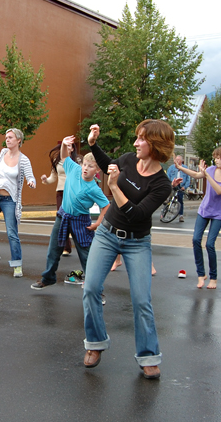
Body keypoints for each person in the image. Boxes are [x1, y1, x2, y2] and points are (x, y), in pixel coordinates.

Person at [82, 120, 174, 380]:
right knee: (90, 288)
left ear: (155, 144)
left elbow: (136, 215)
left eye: (141, 139)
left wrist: (113, 187)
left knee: (141, 300)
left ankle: (148, 356)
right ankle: (95, 343)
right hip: (107, 234)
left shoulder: (161, 184)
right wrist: (93, 144)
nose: (135, 143)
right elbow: (108, 164)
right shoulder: (127, 160)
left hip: (137, 242)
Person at [31, 136, 109, 289]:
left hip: (81, 222)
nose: (85, 168)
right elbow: (64, 156)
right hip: (63, 216)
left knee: (87, 255)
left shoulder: (94, 188)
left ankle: (95, 289)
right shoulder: (74, 170)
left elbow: (106, 206)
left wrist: (98, 223)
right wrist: (64, 145)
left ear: (98, 170)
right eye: (85, 165)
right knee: (53, 250)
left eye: (90, 166)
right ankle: (48, 278)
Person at [174, 147, 221, 289]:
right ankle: (200, 274)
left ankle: (213, 278)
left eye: (218, 157)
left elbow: (220, 190)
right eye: (214, 157)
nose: (215, 160)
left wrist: (206, 175)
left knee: (210, 244)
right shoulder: (210, 171)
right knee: (196, 240)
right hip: (204, 210)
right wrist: (181, 168)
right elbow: (197, 175)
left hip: (218, 213)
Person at [0, 129, 36, 278]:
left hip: (9, 200)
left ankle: (17, 264)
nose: (7, 140)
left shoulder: (23, 160)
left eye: (10, 137)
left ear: (19, 140)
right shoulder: (4, 152)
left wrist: (31, 181)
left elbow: (31, 176)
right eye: (6, 137)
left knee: (12, 233)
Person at [40, 141, 79, 255]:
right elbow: (53, 177)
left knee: (75, 219)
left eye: (69, 146)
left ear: (72, 149)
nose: (67, 148)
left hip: (73, 192)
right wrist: (45, 180)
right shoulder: (57, 161)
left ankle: (83, 244)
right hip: (61, 192)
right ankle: (66, 247)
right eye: (65, 146)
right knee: (62, 219)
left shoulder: (77, 160)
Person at [166, 154, 190, 222]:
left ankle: (181, 215)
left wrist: (184, 187)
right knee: (169, 198)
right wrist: (170, 184)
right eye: (176, 160)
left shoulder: (185, 168)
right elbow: (167, 176)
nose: (177, 161)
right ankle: (165, 211)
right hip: (173, 184)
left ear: (182, 161)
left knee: (180, 200)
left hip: (181, 186)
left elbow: (188, 179)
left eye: (178, 160)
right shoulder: (171, 168)